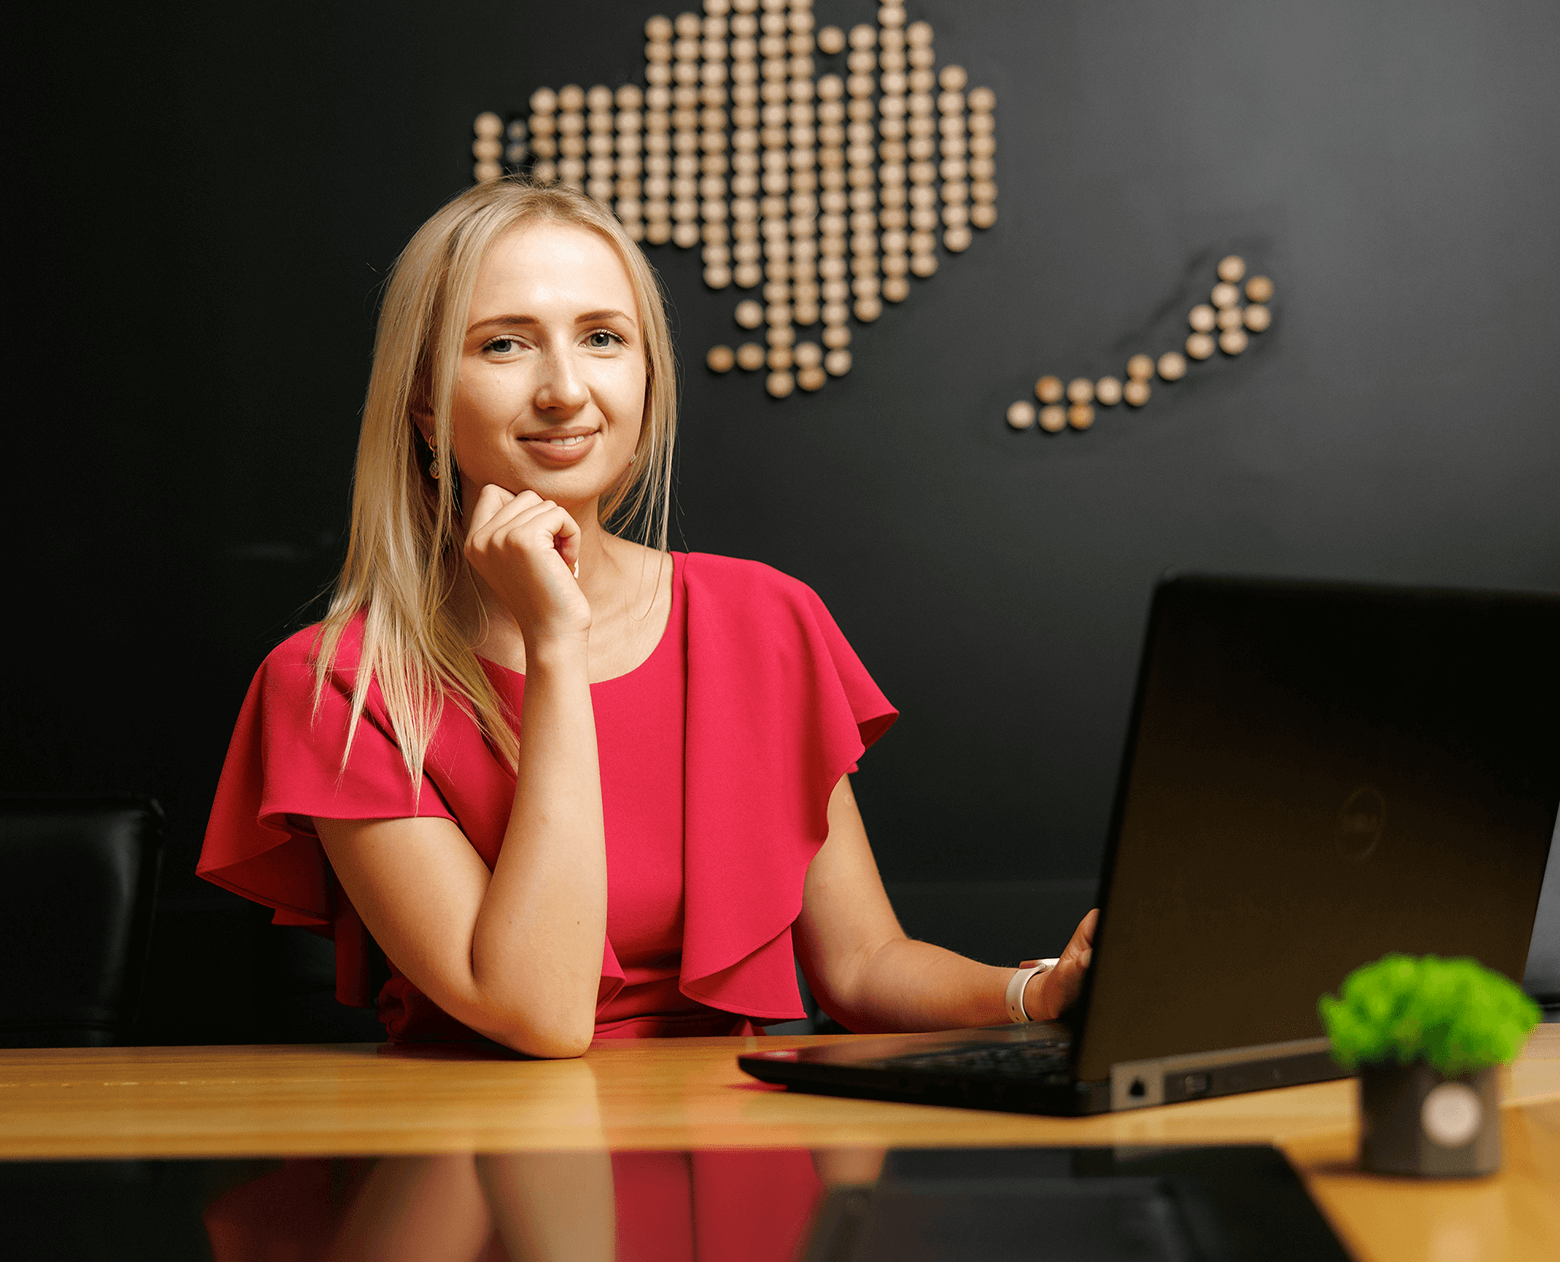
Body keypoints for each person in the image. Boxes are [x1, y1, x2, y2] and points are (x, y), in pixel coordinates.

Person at [198, 179, 1096, 1057]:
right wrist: (556, 639)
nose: (564, 388)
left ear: (646, 378)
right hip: (484, 1141)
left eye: (602, 337)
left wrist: (1037, 990)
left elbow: (863, 966)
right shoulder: (339, 684)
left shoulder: (763, 620)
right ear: (427, 406)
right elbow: (540, 1014)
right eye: (505, 344)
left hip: (735, 1134)